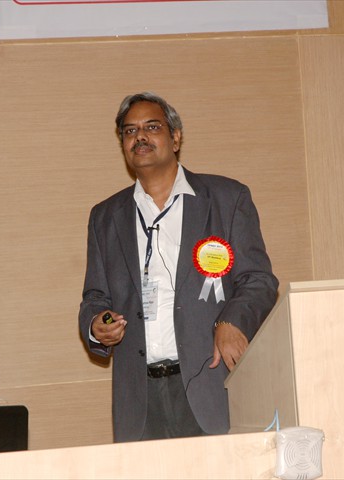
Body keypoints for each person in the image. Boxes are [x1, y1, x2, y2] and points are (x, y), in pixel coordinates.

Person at [79, 92, 278, 443]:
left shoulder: (227, 198)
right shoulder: (105, 216)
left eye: (152, 127)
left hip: (211, 384)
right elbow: (95, 298)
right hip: (139, 400)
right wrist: (97, 326)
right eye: (130, 131)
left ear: (175, 137)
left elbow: (258, 280)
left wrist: (231, 321)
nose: (140, 136)